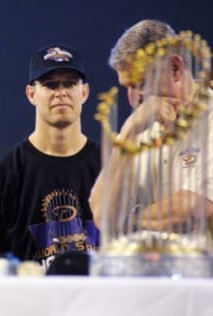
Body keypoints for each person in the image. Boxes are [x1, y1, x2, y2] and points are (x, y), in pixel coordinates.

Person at [89, 19, 213, 231]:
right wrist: (127, 133)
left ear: (175, 68)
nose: (133, 99)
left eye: (140, 83)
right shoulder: (141, 129)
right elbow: (101, 213)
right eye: (127, 87)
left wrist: (126, 224)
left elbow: (197, 207)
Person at [0, 45, 101, 272]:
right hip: (29, 304)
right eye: (50, 84)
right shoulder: (5, 173)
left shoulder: (109, 167)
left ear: (84, 92)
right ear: (31, 94)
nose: (61, 92)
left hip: (97, 303)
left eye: (70, 83)